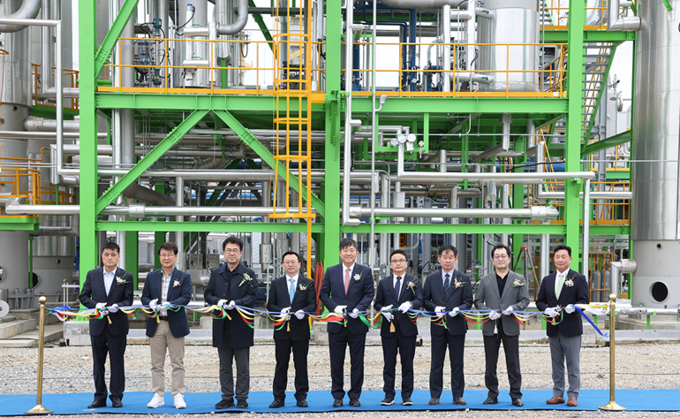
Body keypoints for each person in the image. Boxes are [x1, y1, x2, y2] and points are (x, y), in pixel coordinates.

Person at [319, 238, 375, 407]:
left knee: (357, 362)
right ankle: (337, 395)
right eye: (345, 250)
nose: (348, 253)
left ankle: (355, 396)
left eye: (351, 250)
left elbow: (369, 294)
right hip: (336, 324)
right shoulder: (331, 271)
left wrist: (359, 308)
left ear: (357, 252)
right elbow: (323, 294)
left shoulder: (365, 271)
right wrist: (334, 307)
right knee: (336, 362)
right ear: (340, 253)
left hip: (357, 325)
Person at [204, 236, 258, 409]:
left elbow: (253, 295)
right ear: (223, 252)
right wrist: (217, 301)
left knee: (243, 366)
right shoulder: (216, 274)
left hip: (241, 325)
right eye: (228, 250)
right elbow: (208, 294)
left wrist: (238, 303)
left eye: (235, 250)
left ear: (241, 253)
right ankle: (227, 397)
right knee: (224, 365)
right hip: (222, 326)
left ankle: (242, 397)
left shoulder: (248, 274)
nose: (232, 253)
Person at [79, 242, 134, 409]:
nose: (110, 258)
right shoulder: (92, 274)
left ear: (118, 257)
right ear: (102, 257)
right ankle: (100, 397)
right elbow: (83, 297)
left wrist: (118, 306)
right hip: (98, 324)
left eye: (113, 255)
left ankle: (116, 396)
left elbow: (128, 299)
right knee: (98, 362)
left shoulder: (126, 276)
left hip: (117, 325)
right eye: (106, 255)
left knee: (117, 362)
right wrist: (95, 305)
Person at [474, 244, 530, 407]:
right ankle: (492, 394)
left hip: (510, 325)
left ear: (509, 258)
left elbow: (525, 300)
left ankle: (516, 395)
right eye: (497, 256)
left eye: (503, 255)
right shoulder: (485, 280)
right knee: (490, 363)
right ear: (492, 260)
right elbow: (478, 301)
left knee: (513, 362)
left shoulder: (518, 278)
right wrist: (487, 311)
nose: (500, 259)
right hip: (490, 326)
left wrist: (514, 308)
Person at [536, 244, 590, 407]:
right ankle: (557, 394)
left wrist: (574, 307)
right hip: (553, 327)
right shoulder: (547, 280)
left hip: (571, 327)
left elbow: (584, 300)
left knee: (573, 363)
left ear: (570, 259)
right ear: (553, 259)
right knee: (556, 363)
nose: (560, 260)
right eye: (557, 257)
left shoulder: (578, 278)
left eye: (563, 256)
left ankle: (573, 395)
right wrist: (546, 309)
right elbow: (540, 301)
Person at [141, 242, 192, 409]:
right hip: (156, 323)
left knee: (177, 363)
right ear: (159, 257)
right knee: (157, 363)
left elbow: (186, 297)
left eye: (170, 254)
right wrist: (150, 303)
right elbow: (144, 297)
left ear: (176, 256)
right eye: (163, 254)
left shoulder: (183, 277)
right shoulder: (151, 276)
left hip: (175, 323)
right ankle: (158, 395)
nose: (166, 257)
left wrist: (172, 303)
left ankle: (178, 395)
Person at [423, 244, 473, 406]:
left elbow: (468, 301)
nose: (447, 261)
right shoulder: (431, 279)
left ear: (456, 259)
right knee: (436, 362)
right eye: (444, 257)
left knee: (457, 362)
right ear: (439, 259)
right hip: (438, 326)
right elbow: (425, 300)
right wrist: (434, 308)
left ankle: (457, 395)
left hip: (457, 326)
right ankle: (435, 395)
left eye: (451, 257)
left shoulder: (463, 278)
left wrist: (459, 309)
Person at [266, 251, 317, 408]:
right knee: (281, 364)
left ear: (299, 264)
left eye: (293, 261)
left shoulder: (308, 283)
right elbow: (270, 304)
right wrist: (280, 311)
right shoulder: (276, 283)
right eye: (287, 262)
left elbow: (313, 304)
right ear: (282, 265)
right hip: (282, 330)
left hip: (300, 330)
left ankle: (301, 396)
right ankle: (278, 397)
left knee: (301, 364)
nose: (290, 264)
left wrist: (304, 312)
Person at [374, 249, 423, 407]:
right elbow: (377, 303)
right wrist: (382, 310)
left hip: (408, 329)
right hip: (388, 328)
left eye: (401, 260)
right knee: (389, 363)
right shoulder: (384, 282)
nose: (398, 263)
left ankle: (406, 396)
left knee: (407, 363)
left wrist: (411, 304)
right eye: (394, 261)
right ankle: (389, 395)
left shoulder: (414, 281)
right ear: (390, 264)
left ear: (406, 263)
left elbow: (420, 300)